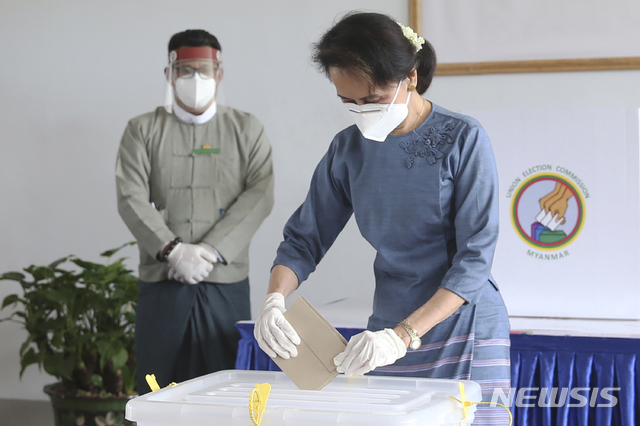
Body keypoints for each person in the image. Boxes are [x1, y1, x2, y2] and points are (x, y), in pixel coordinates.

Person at [254, 12, 510, 425]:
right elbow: (304, 239)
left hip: (460, 322)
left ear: (410, 76)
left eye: (371, 99)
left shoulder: (464, 138)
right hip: (386, 327)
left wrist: (404, 335)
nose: (361, 112)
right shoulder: (348, 150)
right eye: (348, 102)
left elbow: (475, 259)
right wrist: (273, 300)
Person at [116, 29, 274, 394]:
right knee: (158, 384)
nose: (195, 79)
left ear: (219, 74)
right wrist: (173, 250)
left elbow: (260, 194)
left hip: (224, 279)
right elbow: (130, 195)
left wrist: (210, 250)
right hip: (163, 277)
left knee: (226, 384)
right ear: (169, 74)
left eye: (204, 70)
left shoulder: (246, 129)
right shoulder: (142, 130)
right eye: (185, 71)